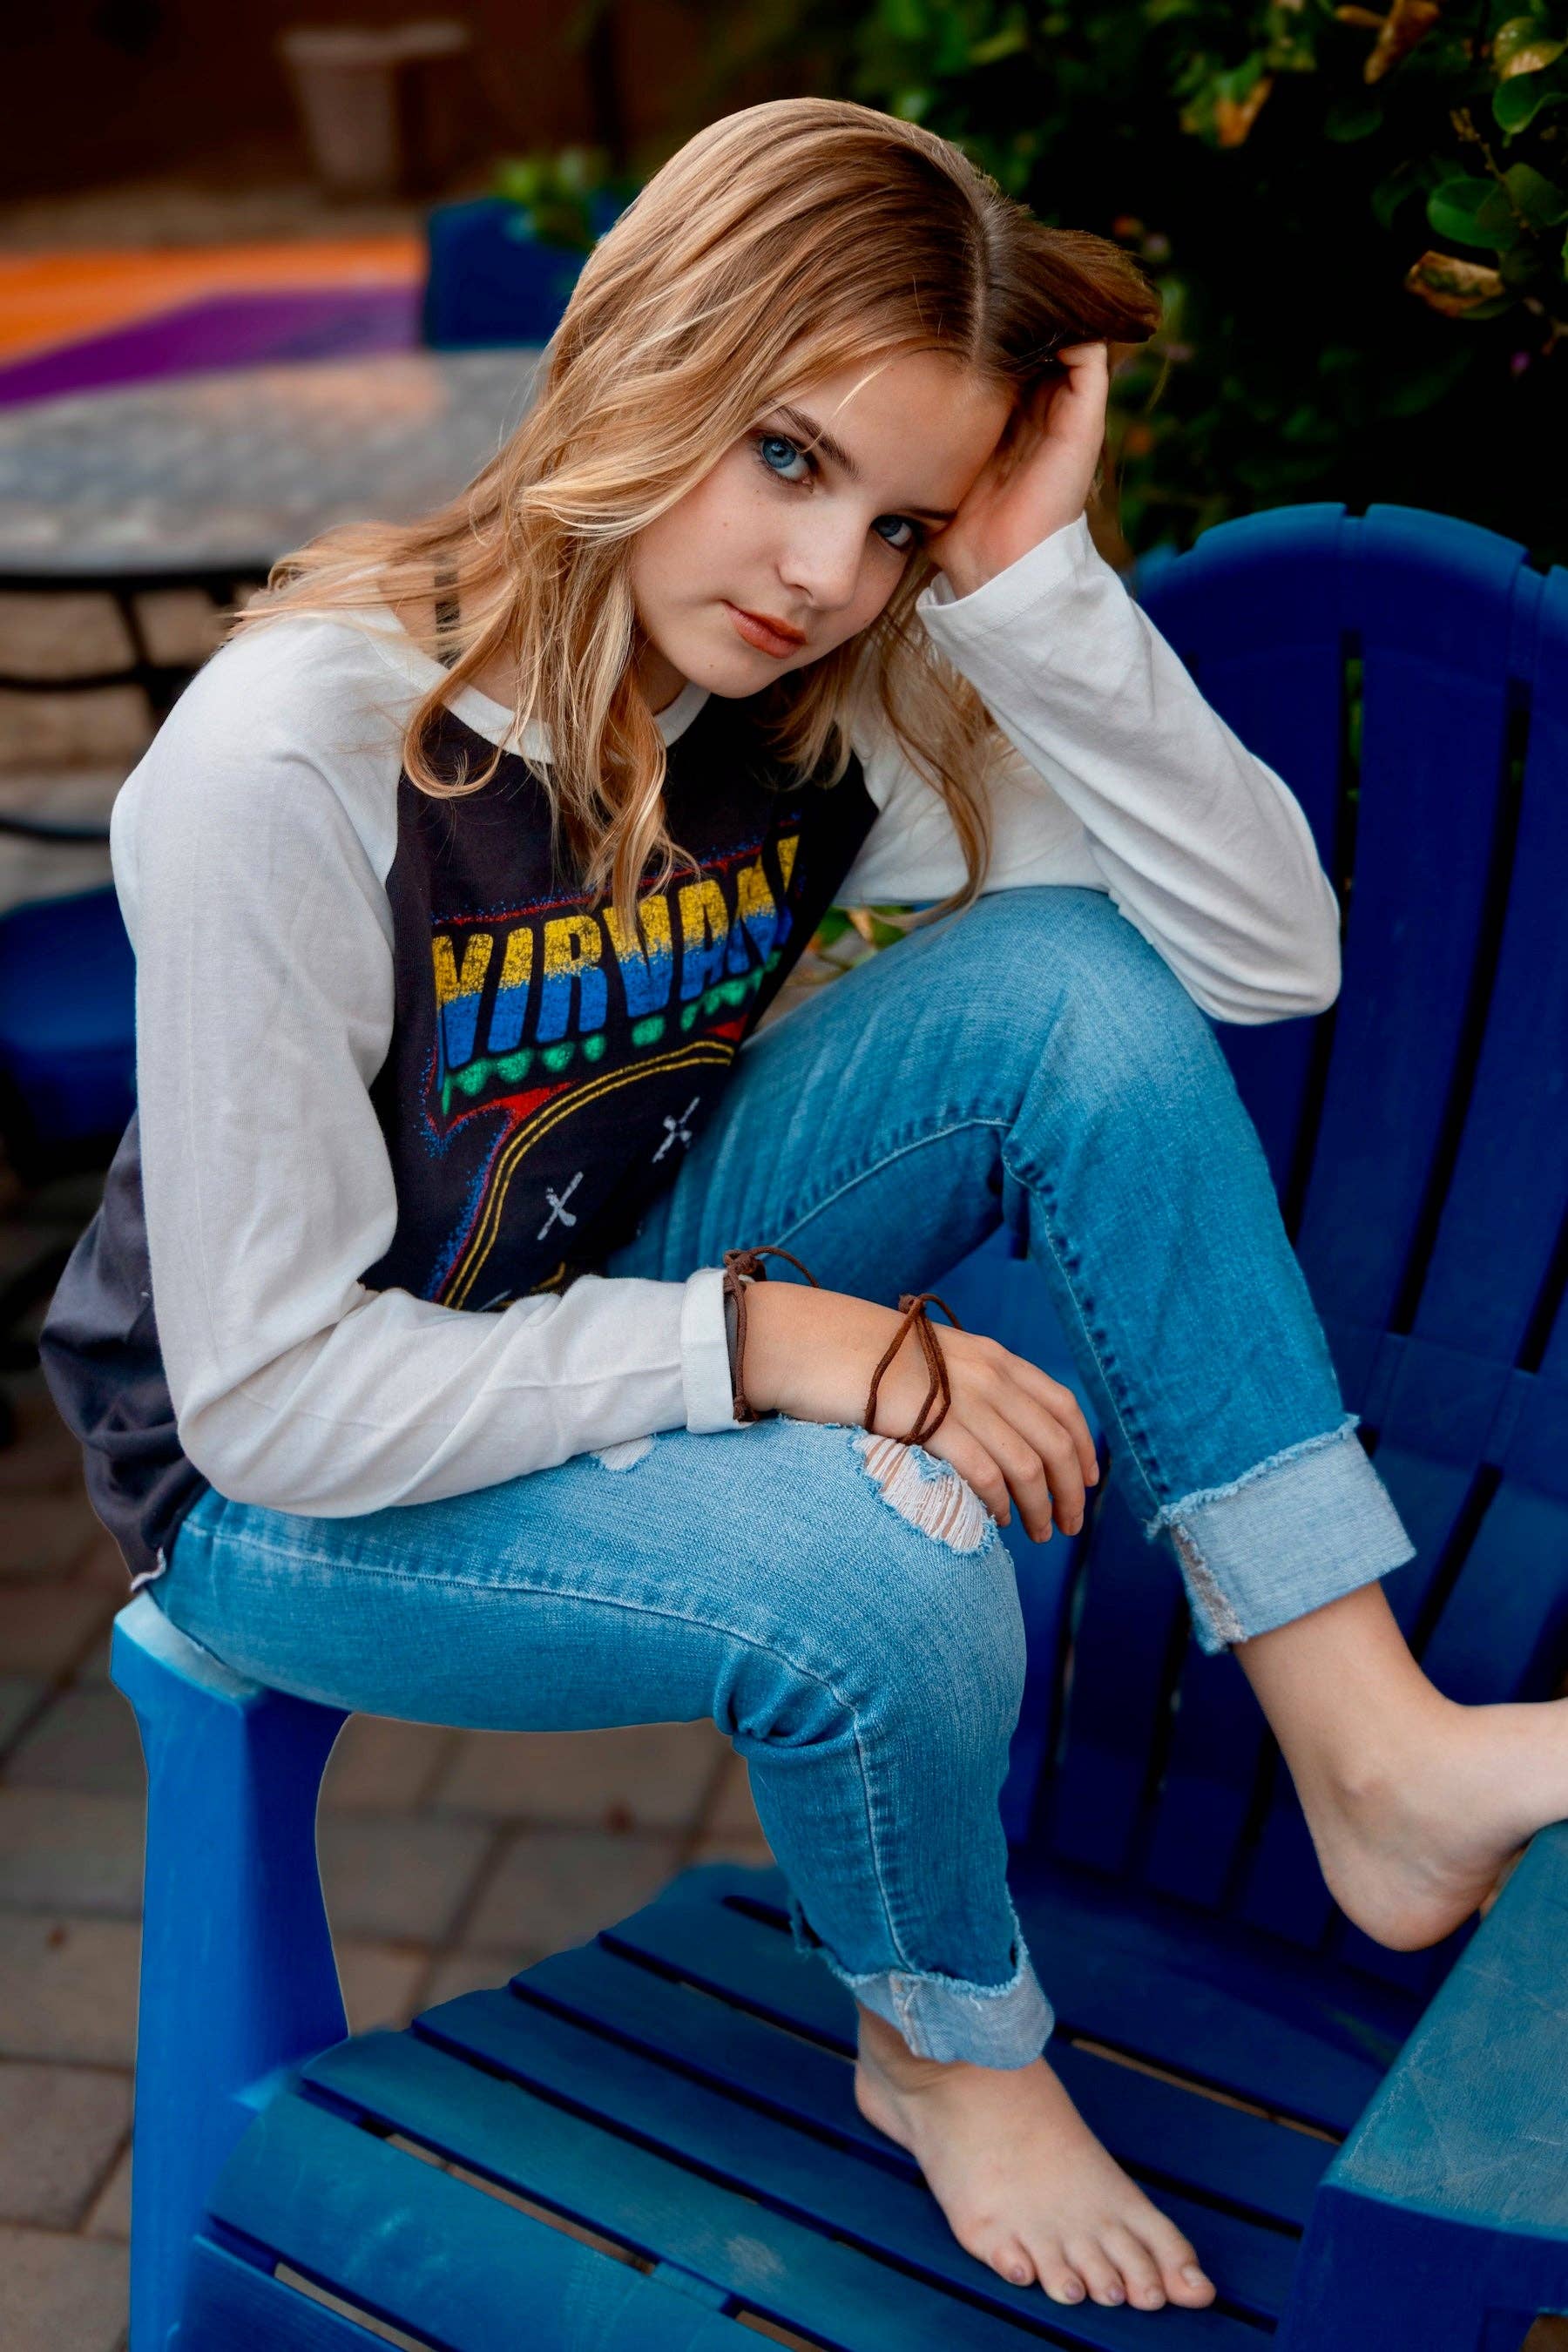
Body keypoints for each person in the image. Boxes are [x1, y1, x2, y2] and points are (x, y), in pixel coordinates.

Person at [41, 95, 1568, 2319]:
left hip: (582, 1295)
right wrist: (768, 1346)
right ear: (649, 351)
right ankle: (944, 2044)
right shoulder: (301, 754)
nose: (825, 568)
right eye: (783, 455)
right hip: (288, 1482)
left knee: (1060, 988)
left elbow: (1258, 964)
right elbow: (273, 1397)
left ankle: (1373, 1749)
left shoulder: (835, 682)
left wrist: (1033, 583)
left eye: (901, 515)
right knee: (892, 1545)